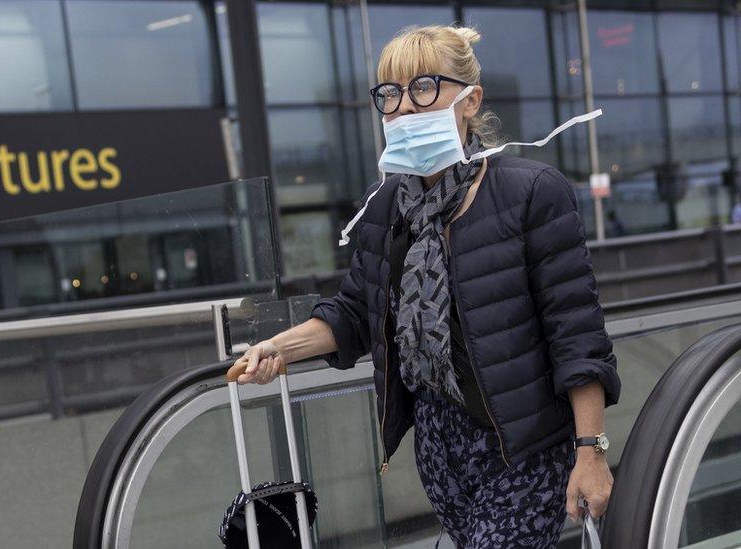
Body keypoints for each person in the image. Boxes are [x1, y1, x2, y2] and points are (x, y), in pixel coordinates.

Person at [231, 24, 620, 548]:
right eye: (390, 95)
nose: (405, 109)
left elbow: (576, 333)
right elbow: (353, 313)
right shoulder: (386, 208)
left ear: (469, 101)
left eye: (423, 88)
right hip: (439, 449)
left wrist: (590, 450)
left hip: (524, 447)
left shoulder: (530, 193)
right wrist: (277, 348)